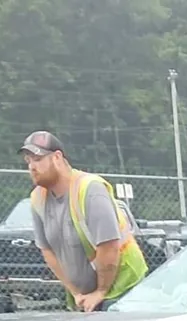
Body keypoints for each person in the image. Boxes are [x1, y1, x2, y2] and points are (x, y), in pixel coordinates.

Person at [18, 131, 148, 311]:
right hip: (85, 297)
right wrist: (75, 293)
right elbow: (47, 251)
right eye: (28, 161)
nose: (32, 167)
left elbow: (109, 246)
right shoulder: (38, 198)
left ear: (57, 157)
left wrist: (101, 292)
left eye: (38, 159)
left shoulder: (90, 189)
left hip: (123, 290)